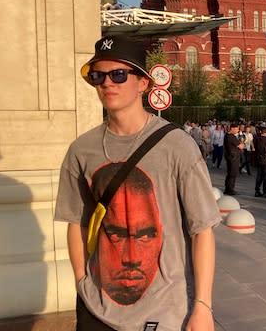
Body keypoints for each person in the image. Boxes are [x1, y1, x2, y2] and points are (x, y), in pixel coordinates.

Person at [54, 35, 218, 330]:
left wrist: (203, 305)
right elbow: (75, 221)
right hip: (98, 309)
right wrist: (82, 282)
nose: (107, 83)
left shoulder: (177, 146)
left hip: (166, 310)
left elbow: (202, 229)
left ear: (143, 82)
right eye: (98, 75)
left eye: (118, 74)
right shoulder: (81, 150)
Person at [223, 123, 243, 195]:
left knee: (230, 173)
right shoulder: (231, 137)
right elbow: (241, 146)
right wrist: (242, 141)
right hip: (233, 157)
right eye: (237, 129)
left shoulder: (227, 136)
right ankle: (230, 189)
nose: (238, 130)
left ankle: (228, 189)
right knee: (232, 174)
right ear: (232, 128)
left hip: (230, 156)